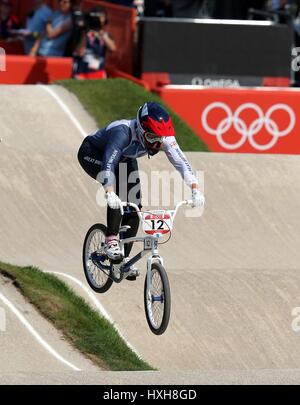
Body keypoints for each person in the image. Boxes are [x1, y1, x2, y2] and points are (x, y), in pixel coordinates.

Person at [77, 102, 205, 280]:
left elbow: (181, 162)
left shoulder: (164, 137)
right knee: (119, 191)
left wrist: (195, 189)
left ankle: (123, 260)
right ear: (140, 128)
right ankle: (111, 240)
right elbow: (108, 163)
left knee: (135, 206)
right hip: (93, 153)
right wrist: (109, 191)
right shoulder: (123, 132)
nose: (156, 144)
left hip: (124, 158)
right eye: (152, 137)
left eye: (159, 140)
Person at [73, 6, 116, 78]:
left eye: (102, 17)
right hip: (82, 71)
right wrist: (85, 33)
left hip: (98, 71)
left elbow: (113, 49)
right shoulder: (84, 33)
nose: (99, 20)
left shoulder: (106, 35)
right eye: (97, 17)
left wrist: (102, 35)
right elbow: (80, 52)